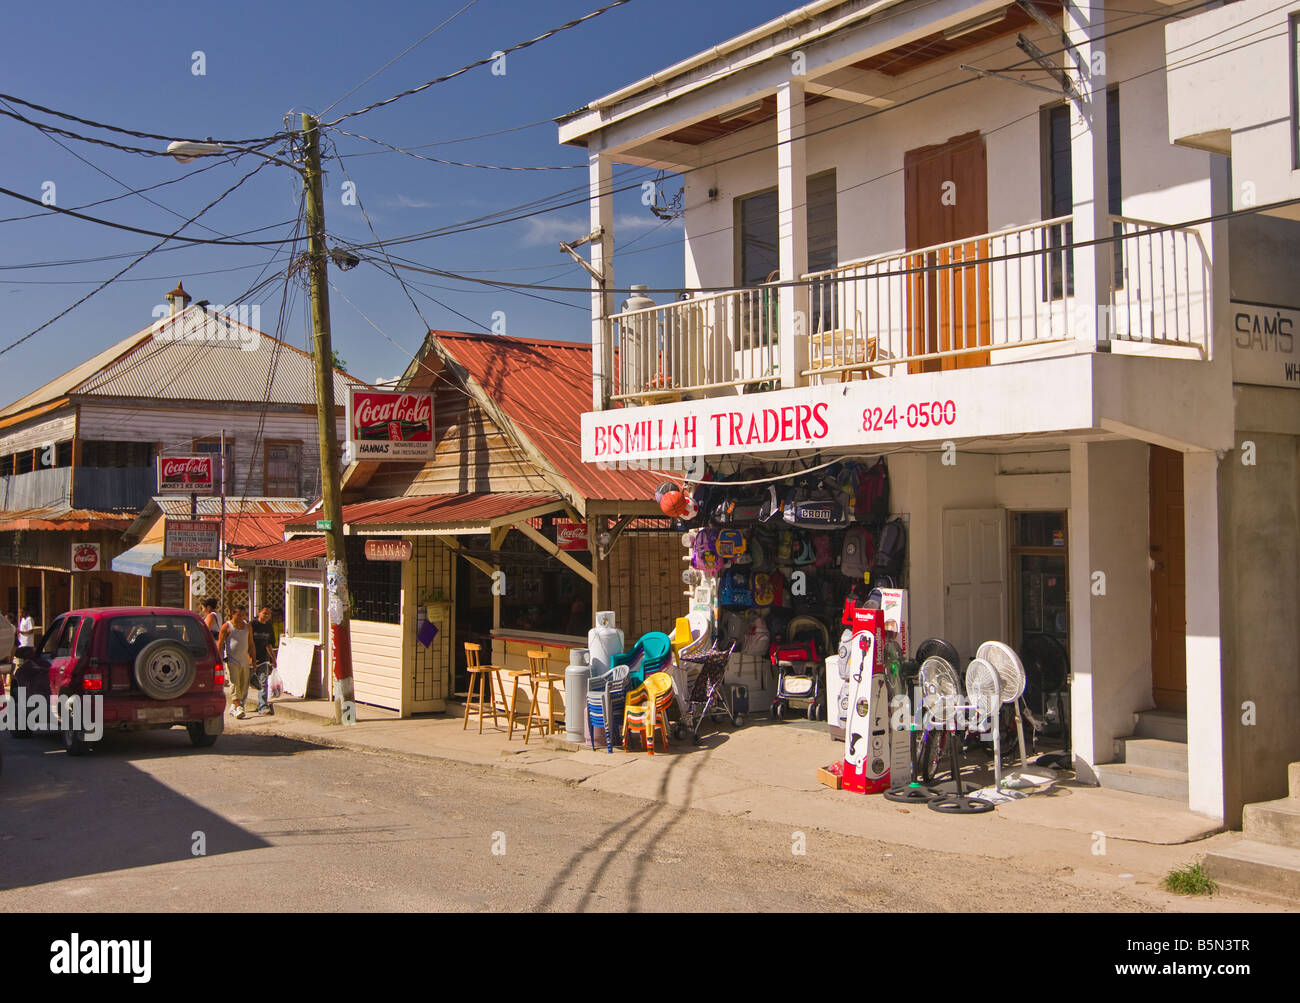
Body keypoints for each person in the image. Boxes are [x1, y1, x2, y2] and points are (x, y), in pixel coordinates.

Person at [217, 604, 253, 719]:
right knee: (234, 684)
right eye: (238, 615)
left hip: (244, 661)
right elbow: (220, 644)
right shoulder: (226, 627)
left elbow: (251, 643)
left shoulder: (247, 627)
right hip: (231, 660)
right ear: (233, 614)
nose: (241, 617)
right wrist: (219, 659)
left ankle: (233, 707)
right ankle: (238, 707)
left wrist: (253, 658)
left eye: (243, 615)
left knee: (243, 686)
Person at [250, 605, 277, 716]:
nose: (267, 616)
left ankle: (262, 706)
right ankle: (239, 705)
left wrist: (273, 658)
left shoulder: (269, 627)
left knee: (263, 683)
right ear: (259, 612)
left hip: (263, 659)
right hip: (250, 659)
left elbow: (269, 644)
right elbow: (247, 642)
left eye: (269, 614)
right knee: (246, 682)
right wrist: (250, 658)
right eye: (265, 613)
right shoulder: (252, 625)